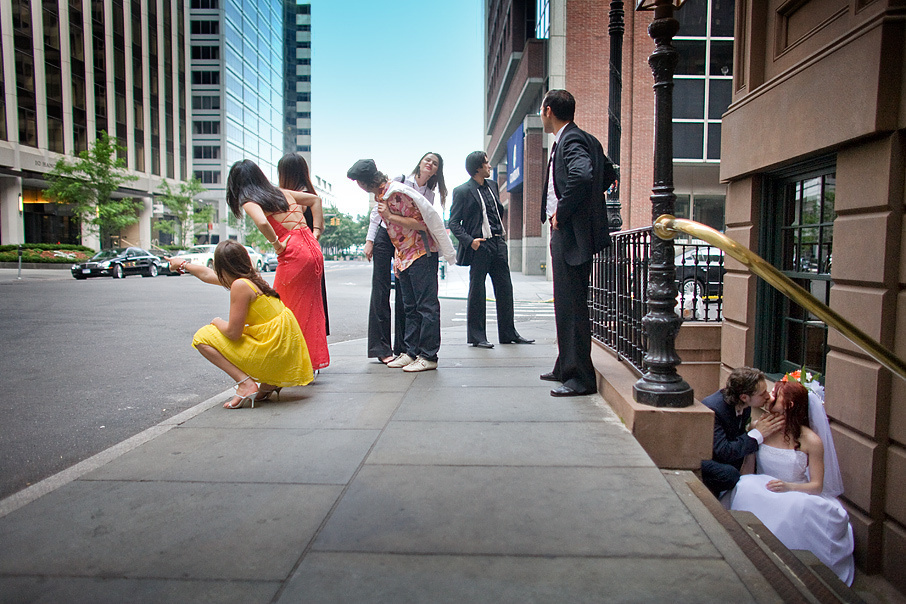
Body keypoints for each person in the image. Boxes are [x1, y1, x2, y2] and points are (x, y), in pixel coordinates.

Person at [727, 379, 855, 585]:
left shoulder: (811, 441)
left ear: (789, 405)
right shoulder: (762, 426)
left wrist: (789, 487)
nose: (770, 397)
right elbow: (748, 471)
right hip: (765, 486)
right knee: (746, 486)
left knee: (795, 506)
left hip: (797, 491)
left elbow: (816, 486)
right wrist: (754, 436)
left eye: (776, 395)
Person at [166, 240, 313, 409]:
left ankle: (245, 384)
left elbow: (233, 333)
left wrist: (217, 321)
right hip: (283, 353)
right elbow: (207, 275)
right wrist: (183, 264)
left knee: (202, 337)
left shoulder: (239, 285)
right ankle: (269, 383)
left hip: (273, 353)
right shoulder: (250, 279)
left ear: (220, 266)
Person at [539, 89, 617, 397]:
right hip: (575, 234)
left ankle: (580, 379)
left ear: (548, 111)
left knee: (571, 307)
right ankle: (565, 366)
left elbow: (584, 175)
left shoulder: (570, 140)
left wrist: (564, 211)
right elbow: (607, 172)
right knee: (567, 304)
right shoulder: (586, 138)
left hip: (571, 236)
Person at [348, 158, 456, 372]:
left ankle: (428, 356)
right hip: (405, 256)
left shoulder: (396, 193)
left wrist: (389, 216)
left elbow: (422, 224)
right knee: (410, 307)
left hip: (421, 252)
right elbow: (394, 233)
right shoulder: (384, 194)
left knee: (426, 306)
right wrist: (398, 257)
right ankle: (410, 352)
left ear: (363, 183)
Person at [226, 159, 330, 375]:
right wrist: (316, 232)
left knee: (282, 309)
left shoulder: (251, 200)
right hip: (311, 248)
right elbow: (316, 200)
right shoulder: (282, 192)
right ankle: (307, 362)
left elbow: (263, 223)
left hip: (293, 253)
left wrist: (277, 244)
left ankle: (290, 365)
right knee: (309, 308)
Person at [449, 151, 534, 348]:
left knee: (505, 289)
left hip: (498, 244)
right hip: (480, 246)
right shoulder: (462, 191)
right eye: (486, 163)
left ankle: (508, 333)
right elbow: (453, 223)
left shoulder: (493, 186)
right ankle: (477, 337)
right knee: (477, 291)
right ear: (477, 168)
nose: (490, 166)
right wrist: (471, 241)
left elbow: (496, 213)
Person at [700, 366, 784, 497]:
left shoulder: (746, 406)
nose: (768, 397)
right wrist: (757, 434)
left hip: (727, 455)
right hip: (705, 458)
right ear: (744, 397)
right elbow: (723, 451)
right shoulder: (714, 408)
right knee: (730, 474)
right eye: (762, 394)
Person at [278, 153, 329, 337]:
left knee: (298, 306)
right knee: (313, 306)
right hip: (313, 256)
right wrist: (314, 238)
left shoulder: (297, 197)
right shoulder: (309, 193)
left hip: (300, 258)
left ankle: (302, 354)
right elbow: (320, 227)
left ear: (285, 173)